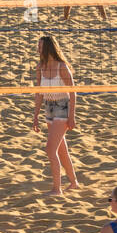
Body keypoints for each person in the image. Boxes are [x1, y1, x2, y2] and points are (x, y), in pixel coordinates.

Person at [32, 35, 81, 196]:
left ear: (48, 49)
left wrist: (72, 116)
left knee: (50, 149)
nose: (37, 49)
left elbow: (73, 93)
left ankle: (56, 188)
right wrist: (36, 115)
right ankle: (73, 183)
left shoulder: (62, 67)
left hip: (62, 108)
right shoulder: (40, 67)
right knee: (61, 150)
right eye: (37, 46)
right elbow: (39, 93)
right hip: (49, 108)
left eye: (40, 47)